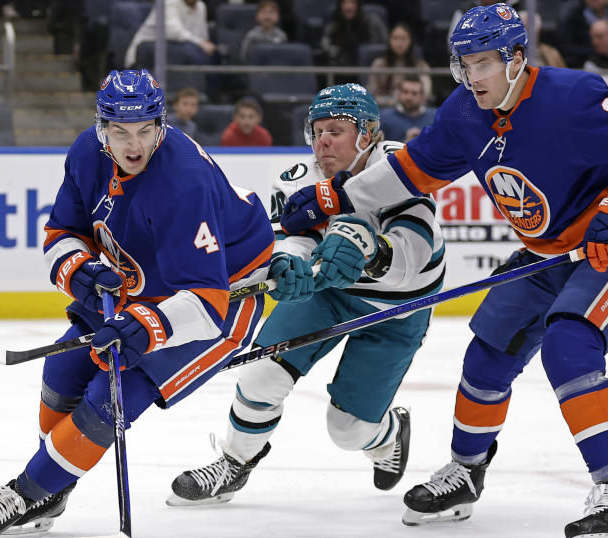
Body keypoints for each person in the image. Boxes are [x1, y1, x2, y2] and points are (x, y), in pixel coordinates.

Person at [278, 3, 608, 538]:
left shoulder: (571, 95)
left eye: (483, 64)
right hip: (546, 253)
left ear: (517, 57)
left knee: (569, 345)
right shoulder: (465, 112)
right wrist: (334, 196)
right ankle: (466, 474)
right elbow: (408, 173)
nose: (472, 78)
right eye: (463, 65)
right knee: (487, 355)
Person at [0, 69, 275, 538]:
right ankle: (53, 485)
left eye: (146, 130)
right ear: (102, 126)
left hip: (223, 294)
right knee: (63, 373)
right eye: (121, 131)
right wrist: (79, 269)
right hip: (141, 280)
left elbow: (205, 301)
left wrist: (143, 327)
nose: (134, 145)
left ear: (161, 126)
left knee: (111, 397)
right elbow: (61, 234)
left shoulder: (183, 182)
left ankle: (27, 492)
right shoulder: (87, 152)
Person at [167, 83, 444, 505]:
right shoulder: (298, 178)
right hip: (330, 292)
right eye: (317, 131)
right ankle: (234, 464)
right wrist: (288, 262)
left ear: (367, 134)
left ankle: (387, 437)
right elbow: (294, 238)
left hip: (397, 306)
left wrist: (369, 251)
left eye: (335, 130)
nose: (322, 141)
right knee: (261, 373)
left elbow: (413, 260)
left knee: (347, 430)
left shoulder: (401, 168)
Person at [124, 0, 217, 69]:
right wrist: (200, 43)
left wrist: (204, 44)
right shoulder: (169, 2)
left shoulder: (201, 6)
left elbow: (203, 38)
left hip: (182, 53)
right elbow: (174, 32)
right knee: (188, 52)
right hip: (147, 52)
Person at [321, 0, 388, 84]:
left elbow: (381, 50)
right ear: (340, 6)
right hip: (340, 74)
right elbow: (326, 48)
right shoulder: (332, 27)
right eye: (345, 3)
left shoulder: (372, 24)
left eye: (352, 2)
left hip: (368, 74)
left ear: (358, 5)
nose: (349, 7)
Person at [367, 23, 432, 109]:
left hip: (411, 110)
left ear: (410, 41)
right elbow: (372, 94)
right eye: (395, 38)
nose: (399, 43)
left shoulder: (421, 66)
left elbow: (426, 94)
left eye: (403, 39)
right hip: (383, 109)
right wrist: (391, 101)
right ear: (389, 40)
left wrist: (405, 99)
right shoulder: (378, 64)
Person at [379, 76, 437, 143]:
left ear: (422, 96)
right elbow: (378, 148)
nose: (409, 97)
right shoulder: (385, 117)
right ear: (399, 94)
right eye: (405, 92)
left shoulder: (435, 116)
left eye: (414, 93)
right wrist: (405, 144)